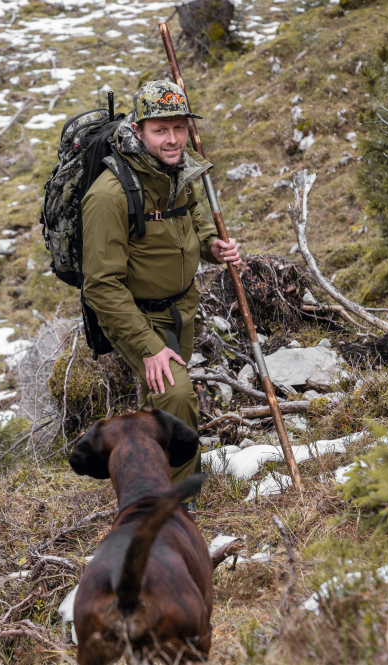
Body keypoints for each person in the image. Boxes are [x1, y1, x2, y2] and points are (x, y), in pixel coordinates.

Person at [81, 80, 241, 484]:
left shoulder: (175, 171)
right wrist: (149, 347)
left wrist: (212, 245)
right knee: (177, 395)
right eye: (160, 130)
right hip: (139, 317)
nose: (173, 139)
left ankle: (148, 476)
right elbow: (100, 285)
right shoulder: (109, 195)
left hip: (181, 308)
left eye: (179, 128)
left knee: (165, 403)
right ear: (138, 131)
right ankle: (178, 501)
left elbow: (192, 216)